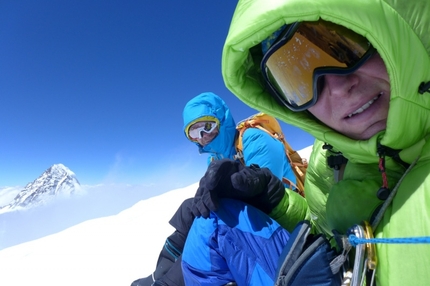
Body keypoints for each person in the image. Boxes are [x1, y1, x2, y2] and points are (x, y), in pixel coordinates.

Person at [181, 0, 430, 285]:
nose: (337, 88)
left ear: (390, 31)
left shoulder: (253, 140)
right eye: (296, 79)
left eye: (343, 45)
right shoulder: (330, 157)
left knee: (210, 224)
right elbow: (323, 235)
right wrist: (271, 197)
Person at [131, 92, 305, 286]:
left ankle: (170, 281)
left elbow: (261, 193)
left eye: (207, 126)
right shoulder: (214, 159)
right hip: (255, 225)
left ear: (222, 120)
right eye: (194, 133)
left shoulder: (255, 139)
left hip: (284, 223)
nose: (203, 137)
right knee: (191, 208)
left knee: (212, 219)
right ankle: (160, 274)